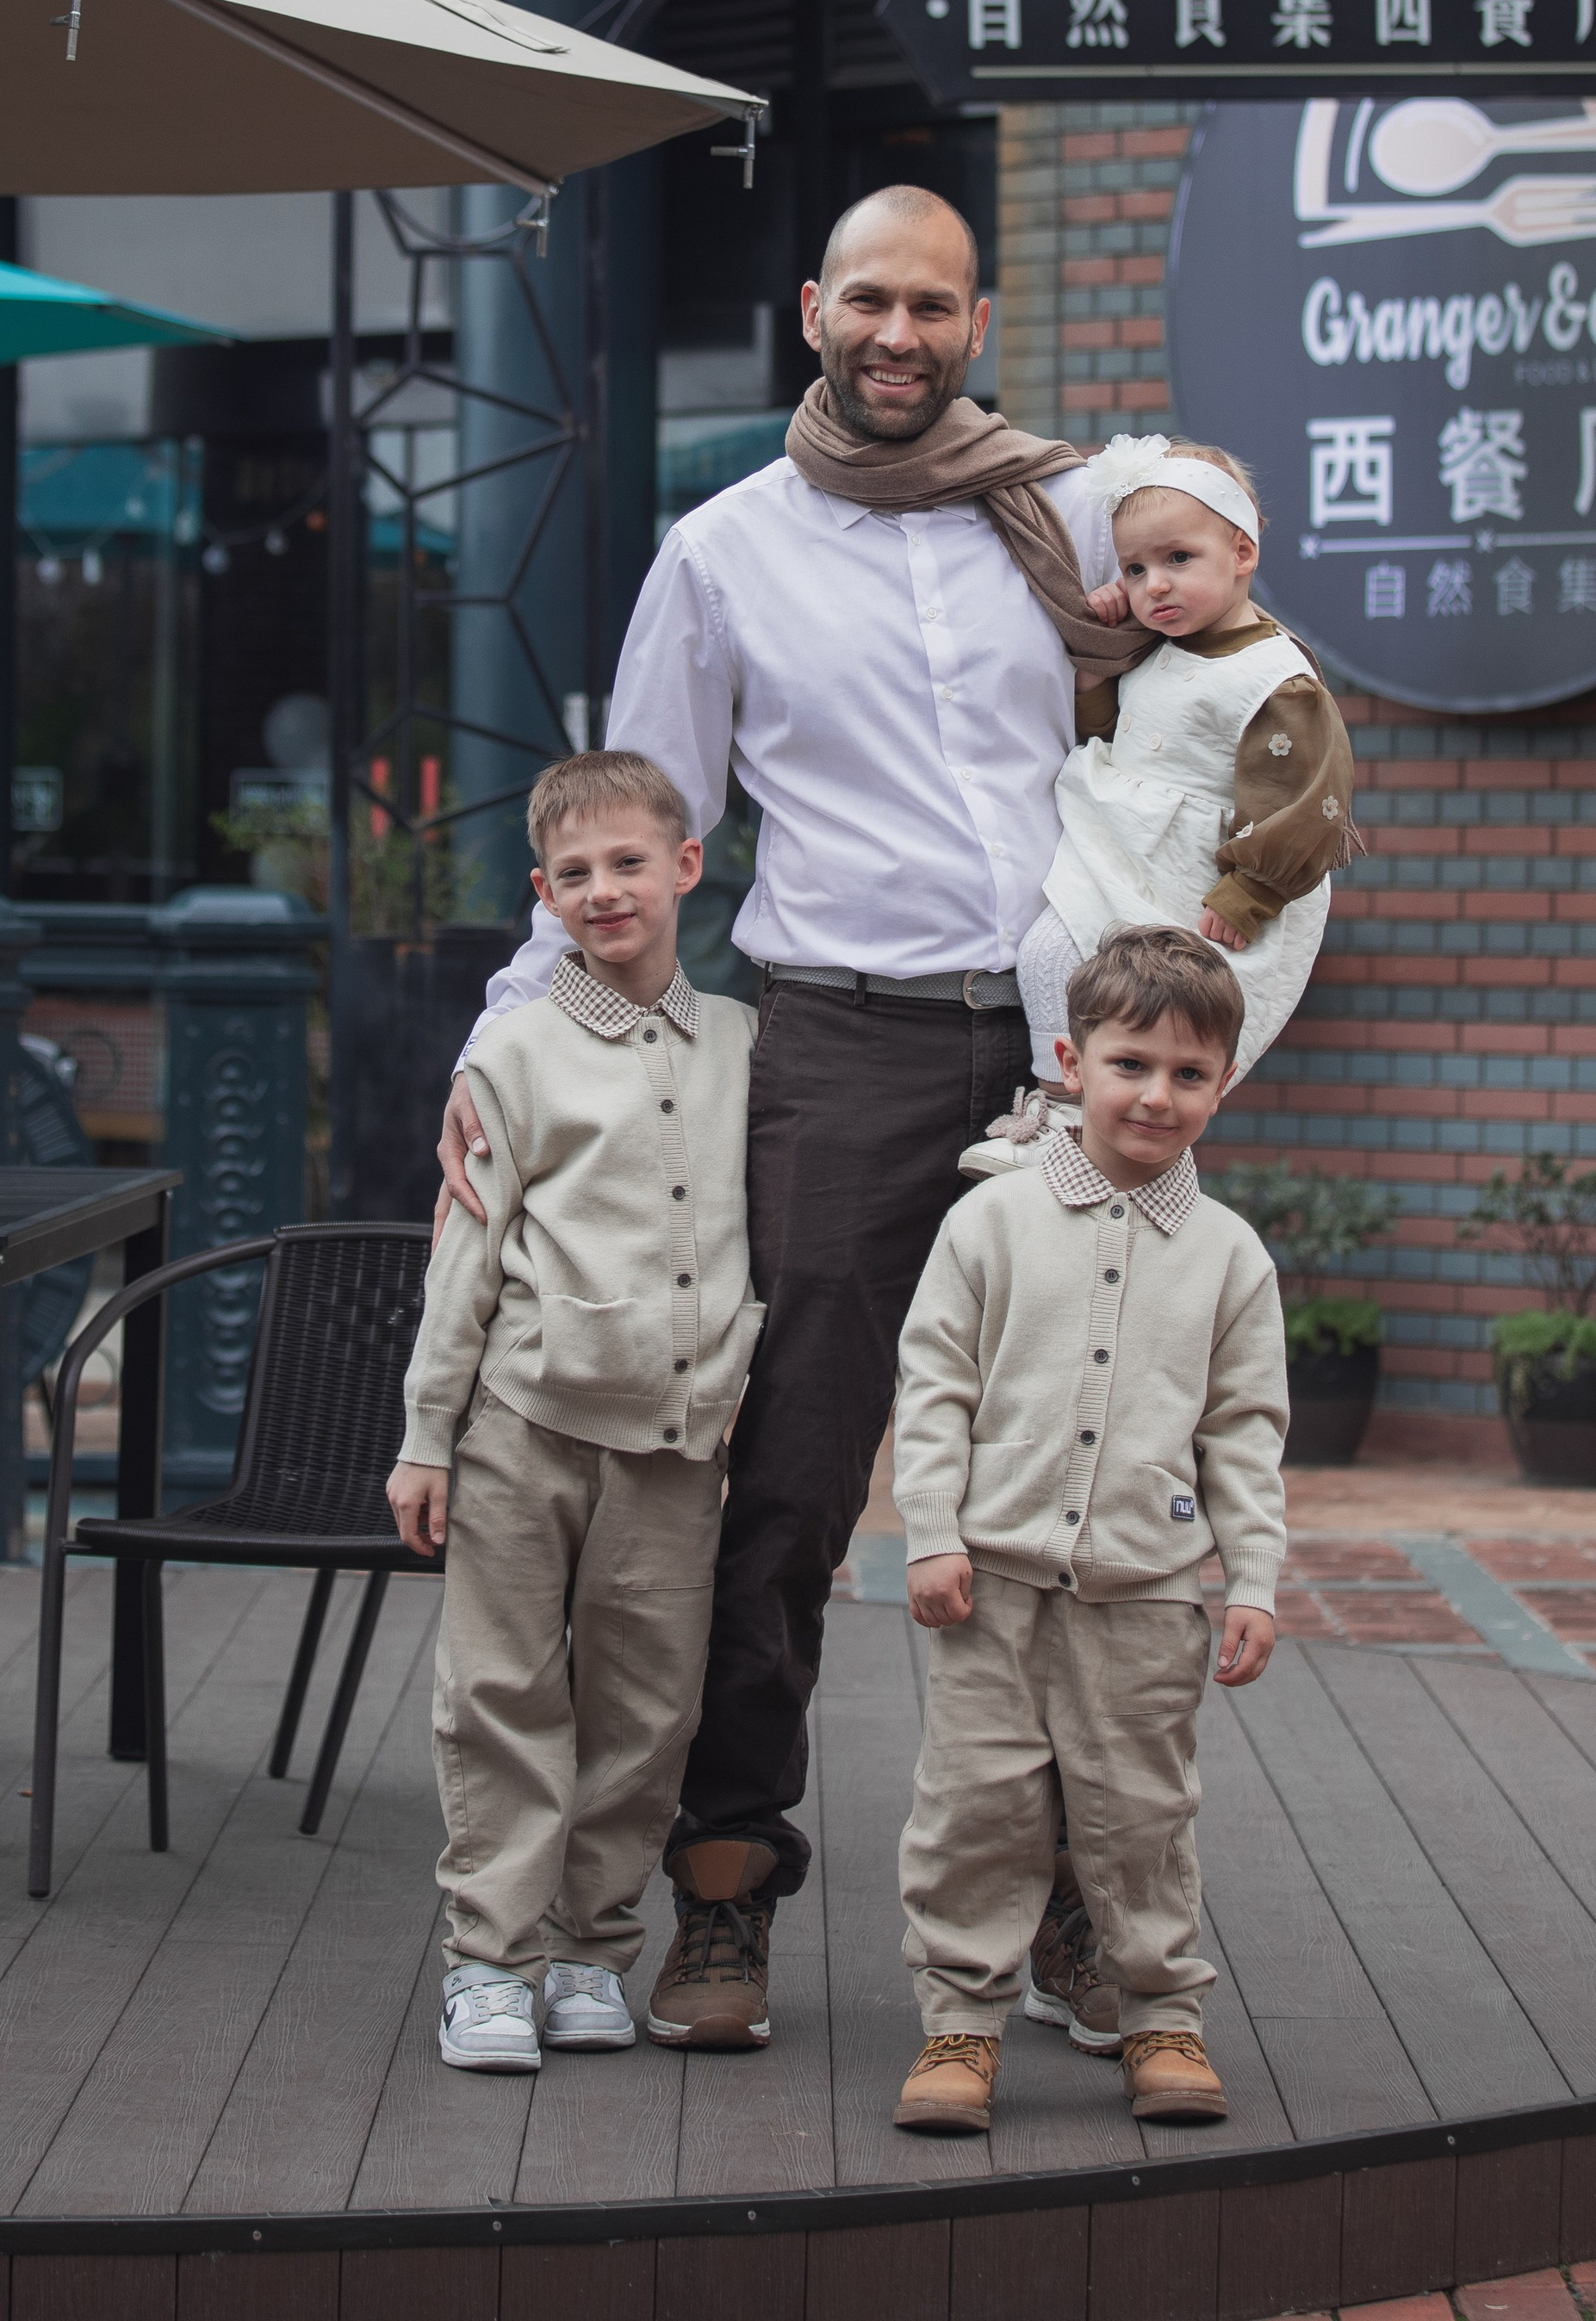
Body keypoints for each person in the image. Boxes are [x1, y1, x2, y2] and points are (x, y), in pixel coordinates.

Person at [433, 185, 1149, 2050]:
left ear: (972, 320)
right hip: (838, 1052)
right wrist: (508, 1039)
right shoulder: (722, 551)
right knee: (781, 1492)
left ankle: (1070, 1919)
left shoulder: (1064, 519)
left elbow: (1204, 704)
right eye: (866, 303)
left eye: (932, 307)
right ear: (808, 311)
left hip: (1066, 1053)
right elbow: (633, 820)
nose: (896, 337)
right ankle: (721, 1893)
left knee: (1062, 1493)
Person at [388, 748, 761, 2073]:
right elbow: (467, 1251)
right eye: (577, 874)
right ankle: (491, 1962)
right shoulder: (513, 1046)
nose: (607, 891)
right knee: (499, 1692)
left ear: (684, 868)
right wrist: (427, 1435)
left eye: (629, 864)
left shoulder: (742, 1045)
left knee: (645, 1710)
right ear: (545, 893)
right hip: (522, 1428)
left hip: (675, 1444)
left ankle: (592, 1950)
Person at [890, 924, 1288, 2141]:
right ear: (1071, 1059)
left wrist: (1255, 1580)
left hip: (1148, 1594)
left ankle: (1161, 2014)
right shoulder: (991, 1223)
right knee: (978, 1807)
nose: (1155, 1095)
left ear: (1223, 1084)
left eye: (1187, 1074)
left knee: (1141, 1814)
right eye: (1131, 1065)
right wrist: (929, 1532)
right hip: (990, 1585)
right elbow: (936, 1385)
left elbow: (1246, 1430)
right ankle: (961, 2021)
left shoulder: (1229, 1257)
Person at [1008, 432, 1357, 1100]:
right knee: (1053, 960)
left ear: (1241, 553)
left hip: (1194, 874)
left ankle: (1081, 1122)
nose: (1154, 585)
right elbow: (1116, 733)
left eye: (1178, 558)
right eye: (1135, 569)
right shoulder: (1161, 643)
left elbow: (1308, 796)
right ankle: (1059, 1109)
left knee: (1150, 1016)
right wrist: (1103, 653)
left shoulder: (1272, 676)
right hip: (1120, 846)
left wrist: (1249, 890)